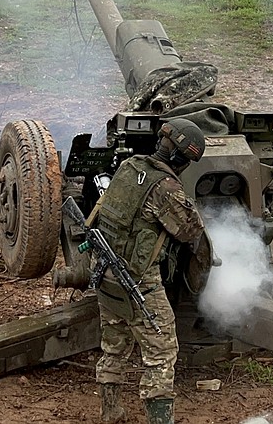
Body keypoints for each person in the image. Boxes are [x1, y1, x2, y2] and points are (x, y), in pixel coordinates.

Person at [90, 117, 207, 424]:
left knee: (114, 345)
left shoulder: (129, 166)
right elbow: (190, 230)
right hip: (139, 282)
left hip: (106, 272)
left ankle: (110, 411)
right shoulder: (165, 188)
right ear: (182, 158)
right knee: (162, 352)